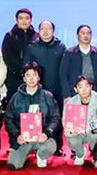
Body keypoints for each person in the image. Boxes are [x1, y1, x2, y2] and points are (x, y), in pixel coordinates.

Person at [4, 62, 61, 170]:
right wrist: (17, 135)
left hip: (42, 138)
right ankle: (24, 154)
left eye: (34, 75)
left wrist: (47, 133)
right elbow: (8, 119)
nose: (31, 78)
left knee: (51, 146)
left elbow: (55, 118)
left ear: (39, 77)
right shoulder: (15, 98)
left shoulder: (48, 96)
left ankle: (41, 155)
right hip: (24, 139)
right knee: (13, 165)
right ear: (24, 78)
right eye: (28, 75)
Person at [25, 20, 66, 154]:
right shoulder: (32, 47)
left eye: (48, 29)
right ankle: (34, 145)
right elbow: (26, 68)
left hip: (56, 88)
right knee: (36, 117)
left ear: (53, 31)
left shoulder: (61, 47)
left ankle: (57, 146)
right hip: (37, 89)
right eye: (42, 28)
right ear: (39, 31)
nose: (46, 31)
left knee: (55, 118)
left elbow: (64, 69)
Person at [63, 76, 97, 169]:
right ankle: (80, 153)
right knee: (71, 140)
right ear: (75, 89)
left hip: (93, 129)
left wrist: (84, 128)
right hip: (78, 132)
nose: (84, 90)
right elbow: (66, 121)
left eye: (87, 86)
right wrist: (71, 130)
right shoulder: (71, 103)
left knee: (95, 134)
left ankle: (96, 157)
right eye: (80, 87)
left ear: (91, 87)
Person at [60, 25, 97, 98]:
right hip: (75, 93)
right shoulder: (69, 53)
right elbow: (63, 74)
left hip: (95, 93)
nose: (86, 35)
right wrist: (66, 95)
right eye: (83, 33)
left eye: (88, 33)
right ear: (77, 36)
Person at [1, 8, 39, 100]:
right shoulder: (10, 36)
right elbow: (7, 57)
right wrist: (22, 71)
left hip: (33, 77)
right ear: (17, 20)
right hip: (15, 76)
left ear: (31, 20)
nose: (24, 21)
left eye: (27, 18)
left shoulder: (37, 36)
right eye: (21, 18)